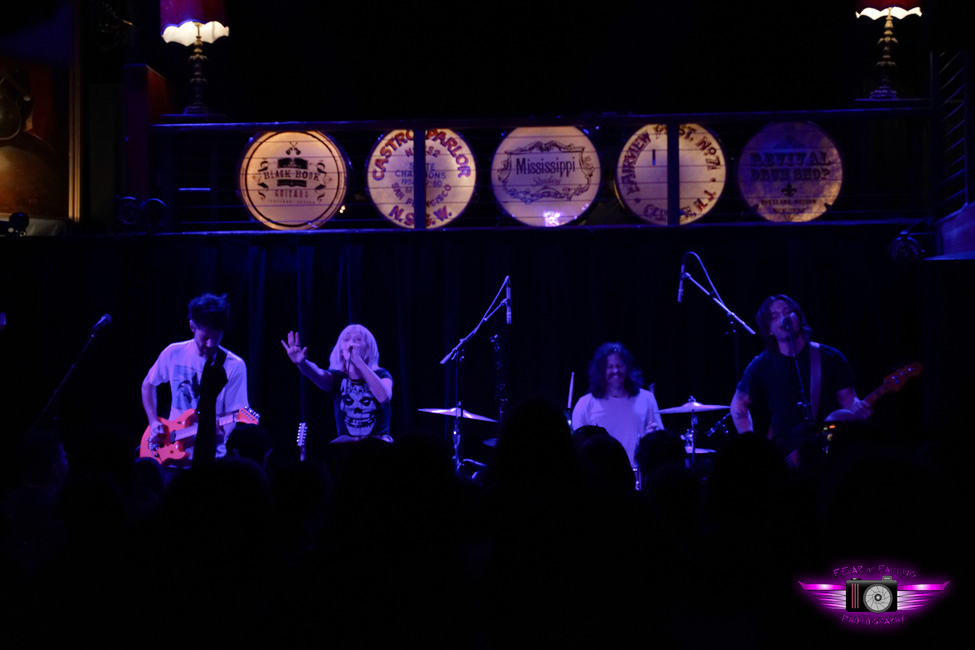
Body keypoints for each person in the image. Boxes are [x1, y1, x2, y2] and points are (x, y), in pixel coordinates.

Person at [730, 295, 871, 461]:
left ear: (797, 316)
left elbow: (849, 402)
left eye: (787, 311)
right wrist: (752, 443)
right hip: (785, 453)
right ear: (769, 329)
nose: (784, 318)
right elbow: (738, 404)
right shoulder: (762, 364)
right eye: (775, 317)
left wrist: (857, 409)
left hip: (827, 445)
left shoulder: (829, 357)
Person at [141, 293, 249, 463]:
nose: (210, 344)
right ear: (192, 326)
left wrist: (223, 434)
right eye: (205, 337)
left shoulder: (234, 365)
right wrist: (154, 422)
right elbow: (148, 385)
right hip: (167, 451)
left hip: (210, 458)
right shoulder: (173, 352)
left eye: (216, 338)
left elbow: (235, 413)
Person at [281, 324, 393, 443]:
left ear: (369, 348)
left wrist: (358, 360)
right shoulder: (337, 377)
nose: (351, 344)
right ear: (340, 349)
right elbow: (318, 374)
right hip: (347, 446)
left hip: (377, 444)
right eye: (347, 339)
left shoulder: (381, 374)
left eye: (358, 339)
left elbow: (384, 396)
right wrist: (302, 363)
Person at [571, 342, 663, 469]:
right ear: (601, 370)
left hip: (637, 477)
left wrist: (652, 438)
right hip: (599, 478)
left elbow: (661, 444)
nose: (615, 370)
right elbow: (576, 449)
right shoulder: (585, 404)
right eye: (610, 366)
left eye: (619, 365)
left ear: (627, 368)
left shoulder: (647, 399)